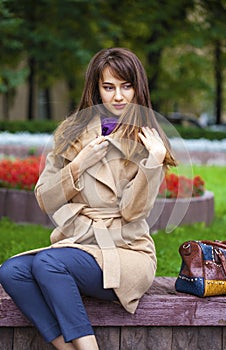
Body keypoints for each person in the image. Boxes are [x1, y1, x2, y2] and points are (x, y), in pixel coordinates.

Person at [0, 48, 176, 350]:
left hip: (126, 251)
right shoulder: (71, 132)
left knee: (49, 262)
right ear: (96, 89)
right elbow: (45, 199)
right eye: (109, 87)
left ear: (138, 88)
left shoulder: (149, 142)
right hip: (78, 244)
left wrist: (153, 161)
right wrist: (78, 164)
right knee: (11, 272)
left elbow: (133, 212)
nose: (118, 96)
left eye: (126, 86)